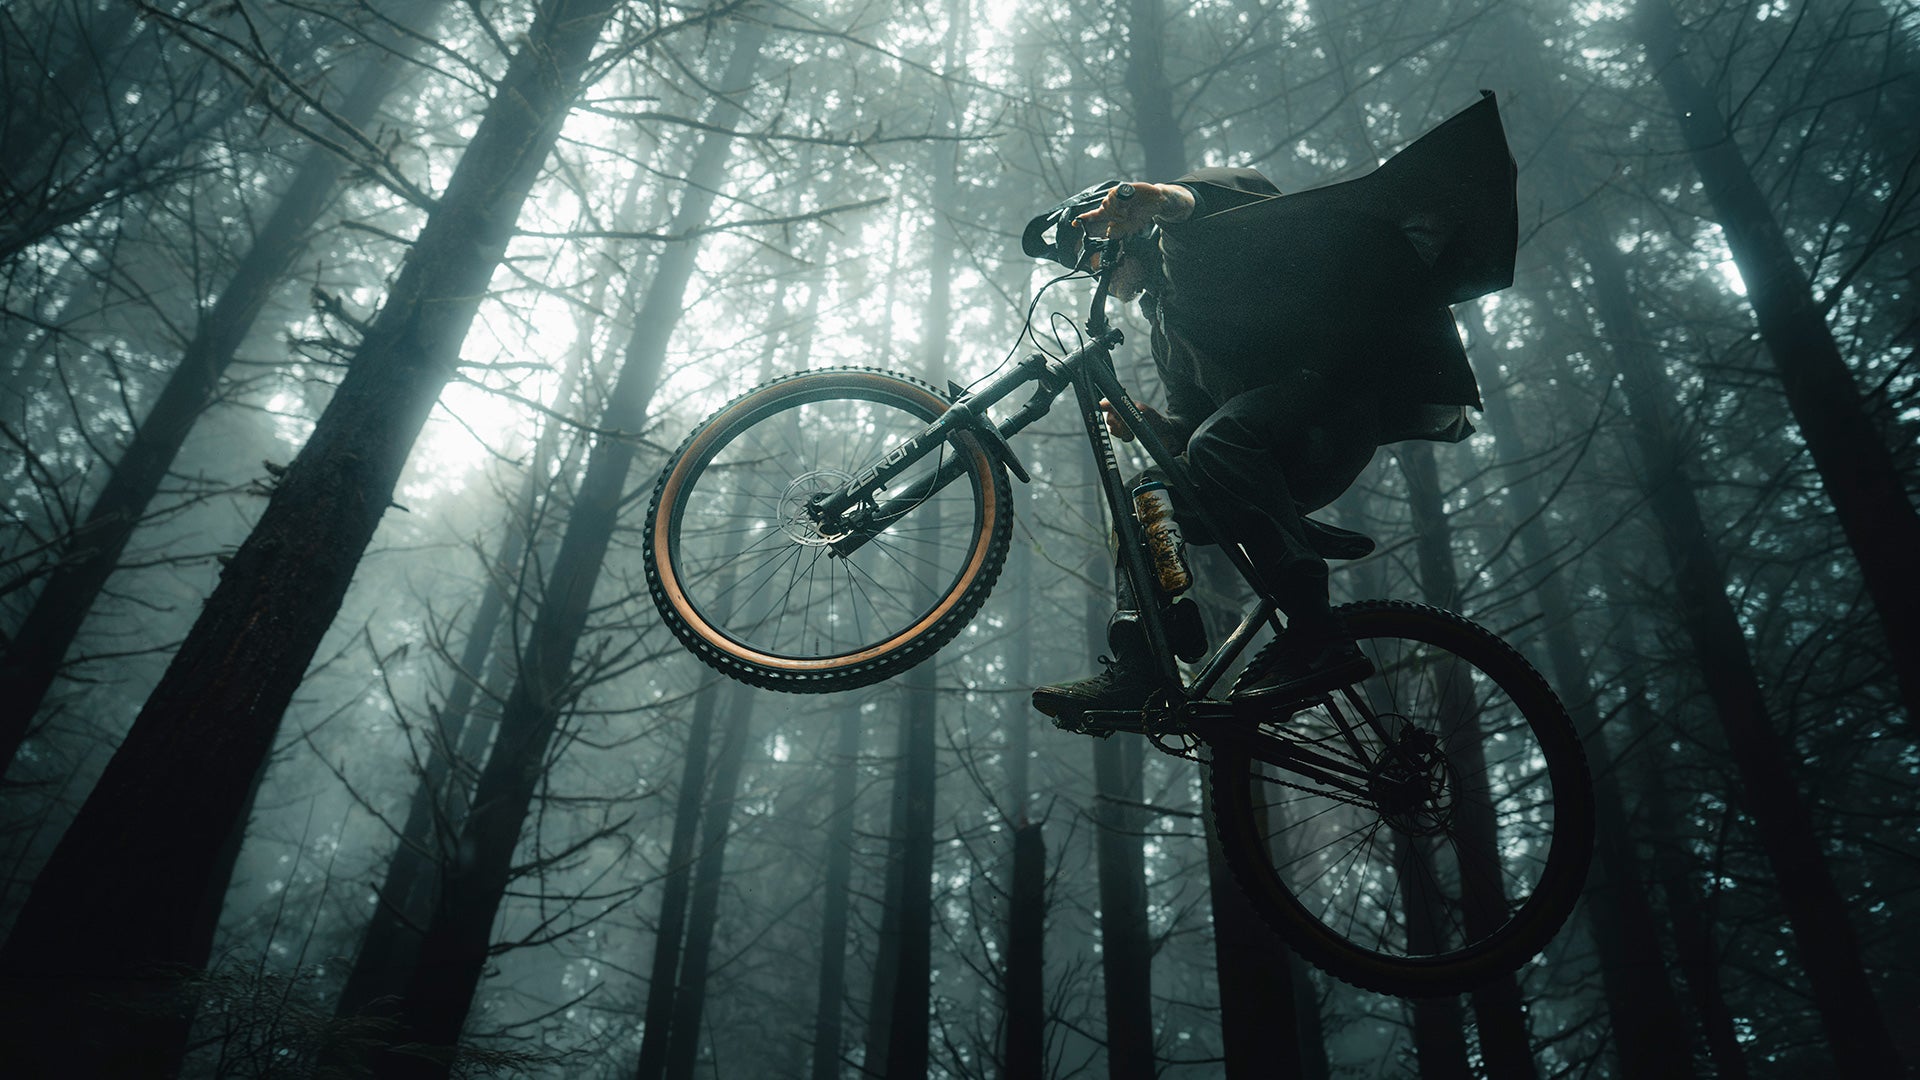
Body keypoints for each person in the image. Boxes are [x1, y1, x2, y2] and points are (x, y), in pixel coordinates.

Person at [1026, 92, 1518, 721]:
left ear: (1131, 234)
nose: (1091, 268)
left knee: (1219, 444)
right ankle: (1142, 662)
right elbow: (1193, 419)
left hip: (1330, 408)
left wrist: (1154, 199)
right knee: (1149, 488)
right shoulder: (1165, 327)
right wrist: (1159, 426)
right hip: (1270, 454)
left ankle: (1318, 633)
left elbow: (1214, 201)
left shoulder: (1193, 247)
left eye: (1094, 250)